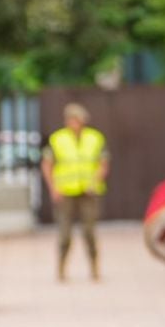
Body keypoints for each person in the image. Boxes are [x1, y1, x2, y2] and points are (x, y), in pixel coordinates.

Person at [42, 102, 109, 282]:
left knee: (89, 232)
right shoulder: (58, 139)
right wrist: (53, 188)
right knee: (64, 233)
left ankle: (94, 268)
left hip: (88, 192)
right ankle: (61, 268)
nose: (75, 123)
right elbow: (47, 165)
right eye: (71, 119)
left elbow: (103, 164)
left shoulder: (95, 138)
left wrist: (95, 183)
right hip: (66, 191)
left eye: (77, 119)